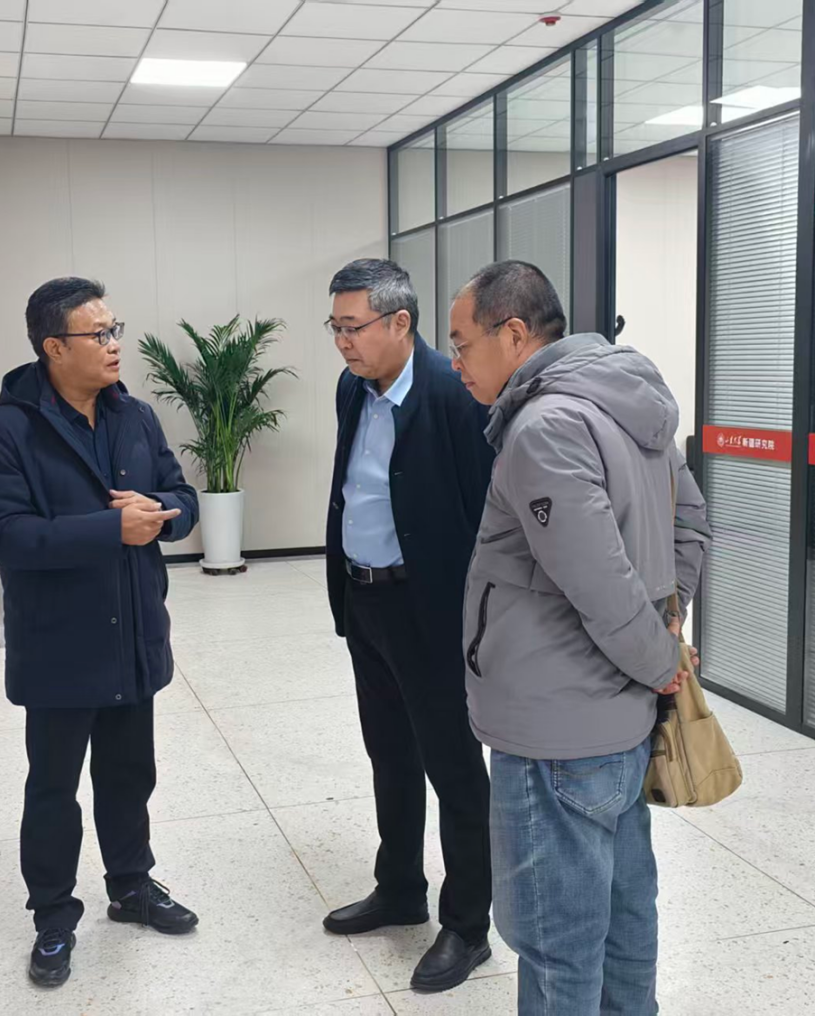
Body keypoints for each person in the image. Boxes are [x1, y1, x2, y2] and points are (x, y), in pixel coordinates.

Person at [449, 261, 711, 1016]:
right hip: (618, 717)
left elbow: (597, 581)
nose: (456, 362)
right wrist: (667, 624)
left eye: (463, 344)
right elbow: (692, 524)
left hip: (555, 728)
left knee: (556, 943)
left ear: (514, 334)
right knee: (626, 923)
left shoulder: (546, 427)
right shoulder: (626, 403)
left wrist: (660, 659)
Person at [0, 277, 200, 989]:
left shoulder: (136, 417)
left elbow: (183, 499)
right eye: (97, 334)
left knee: (130, 775)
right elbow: (8, 537)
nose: (113, 344)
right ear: (53, 347)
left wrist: (160, 509)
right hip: (60, 646)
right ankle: (52, 915)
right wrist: (111, 529)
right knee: (53, 789)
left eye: (114, 329)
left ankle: (131, 886)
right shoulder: (7, 432)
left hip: (133, 633)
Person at [323, 258, 496, 993]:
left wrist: (478, 621)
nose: (342, 342)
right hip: (366, 601)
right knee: (388, 754)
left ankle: (467, 924)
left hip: (430, 610)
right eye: (335, 327)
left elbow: (486, 514)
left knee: (452, 767)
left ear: (400, 322)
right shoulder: (352, 388)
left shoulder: (454, 395)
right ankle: (399, 888)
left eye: (353, 327)